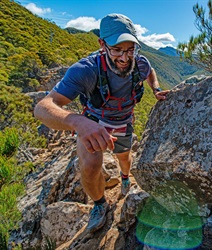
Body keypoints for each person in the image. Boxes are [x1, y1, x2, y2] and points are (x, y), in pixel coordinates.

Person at [34, 13, 169, 233]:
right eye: (117, 50)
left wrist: (155, 88)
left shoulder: (140, 64)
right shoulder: (86, 70)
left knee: (124, 159)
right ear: (102, 44)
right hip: (93, 120)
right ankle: (99, 204)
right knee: (90, 166)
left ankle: (125, 179)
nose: (125, 58)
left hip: (123, 120)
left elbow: (150, 72)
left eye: (130, 49)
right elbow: (42, 108)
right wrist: (78, 122)